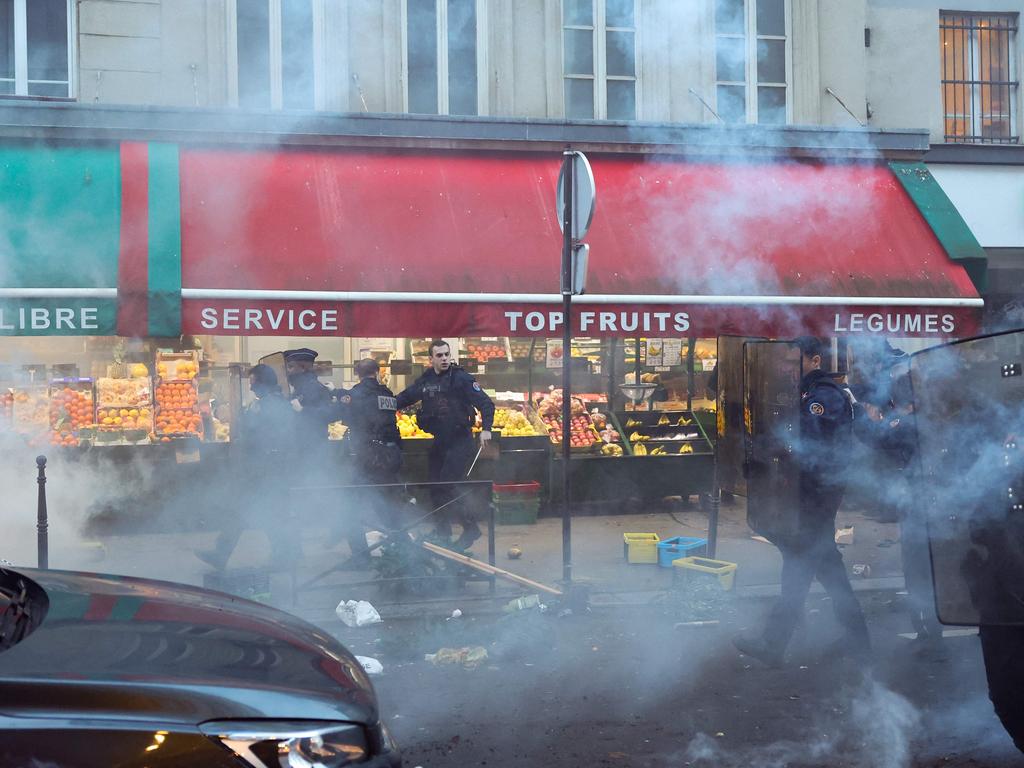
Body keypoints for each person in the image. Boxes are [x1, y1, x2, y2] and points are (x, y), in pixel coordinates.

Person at [733, 336, 869, 667]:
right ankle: (856, 642)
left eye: (794, 361)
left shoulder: (824, 396)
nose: (787, 368)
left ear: (814, 361)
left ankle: (775, 643)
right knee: (821, 568)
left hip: (818, 495)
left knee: (799, 564)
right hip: (811, 494)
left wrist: (765, 451)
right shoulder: (810, 393)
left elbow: (804, 439)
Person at [196, 364, 299, 570]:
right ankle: (283, 556)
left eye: (253, 383)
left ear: (263, 383)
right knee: (260, 512)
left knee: (253, 511)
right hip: (270, 469)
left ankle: (283, 556)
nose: (251, 388)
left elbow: (254, 435)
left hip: (266, 469)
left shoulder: (267, 406)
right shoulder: (280, 404)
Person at [396, 339, 495, 548]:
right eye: (439, 355)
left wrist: (486, 429)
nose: (443, 359)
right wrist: (382, 401)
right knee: (435, 487)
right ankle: (442, 532)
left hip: (460, 441)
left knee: (448, 486)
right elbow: (405, 397)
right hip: (440, 442)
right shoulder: (427, 379)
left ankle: (471, 529)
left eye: (446, 355)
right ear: (430, 359)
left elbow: (486, 403)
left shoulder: (461, 379)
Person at [333, 358, 404, 561]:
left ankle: (360, 557)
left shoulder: (355, 395)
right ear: (378, 372)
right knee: (388, 506)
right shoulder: (387, 395)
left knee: (351, 506)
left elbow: (347, 418)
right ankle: (400, 551)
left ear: (358, 374)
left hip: (366, 457)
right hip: (389, 456)